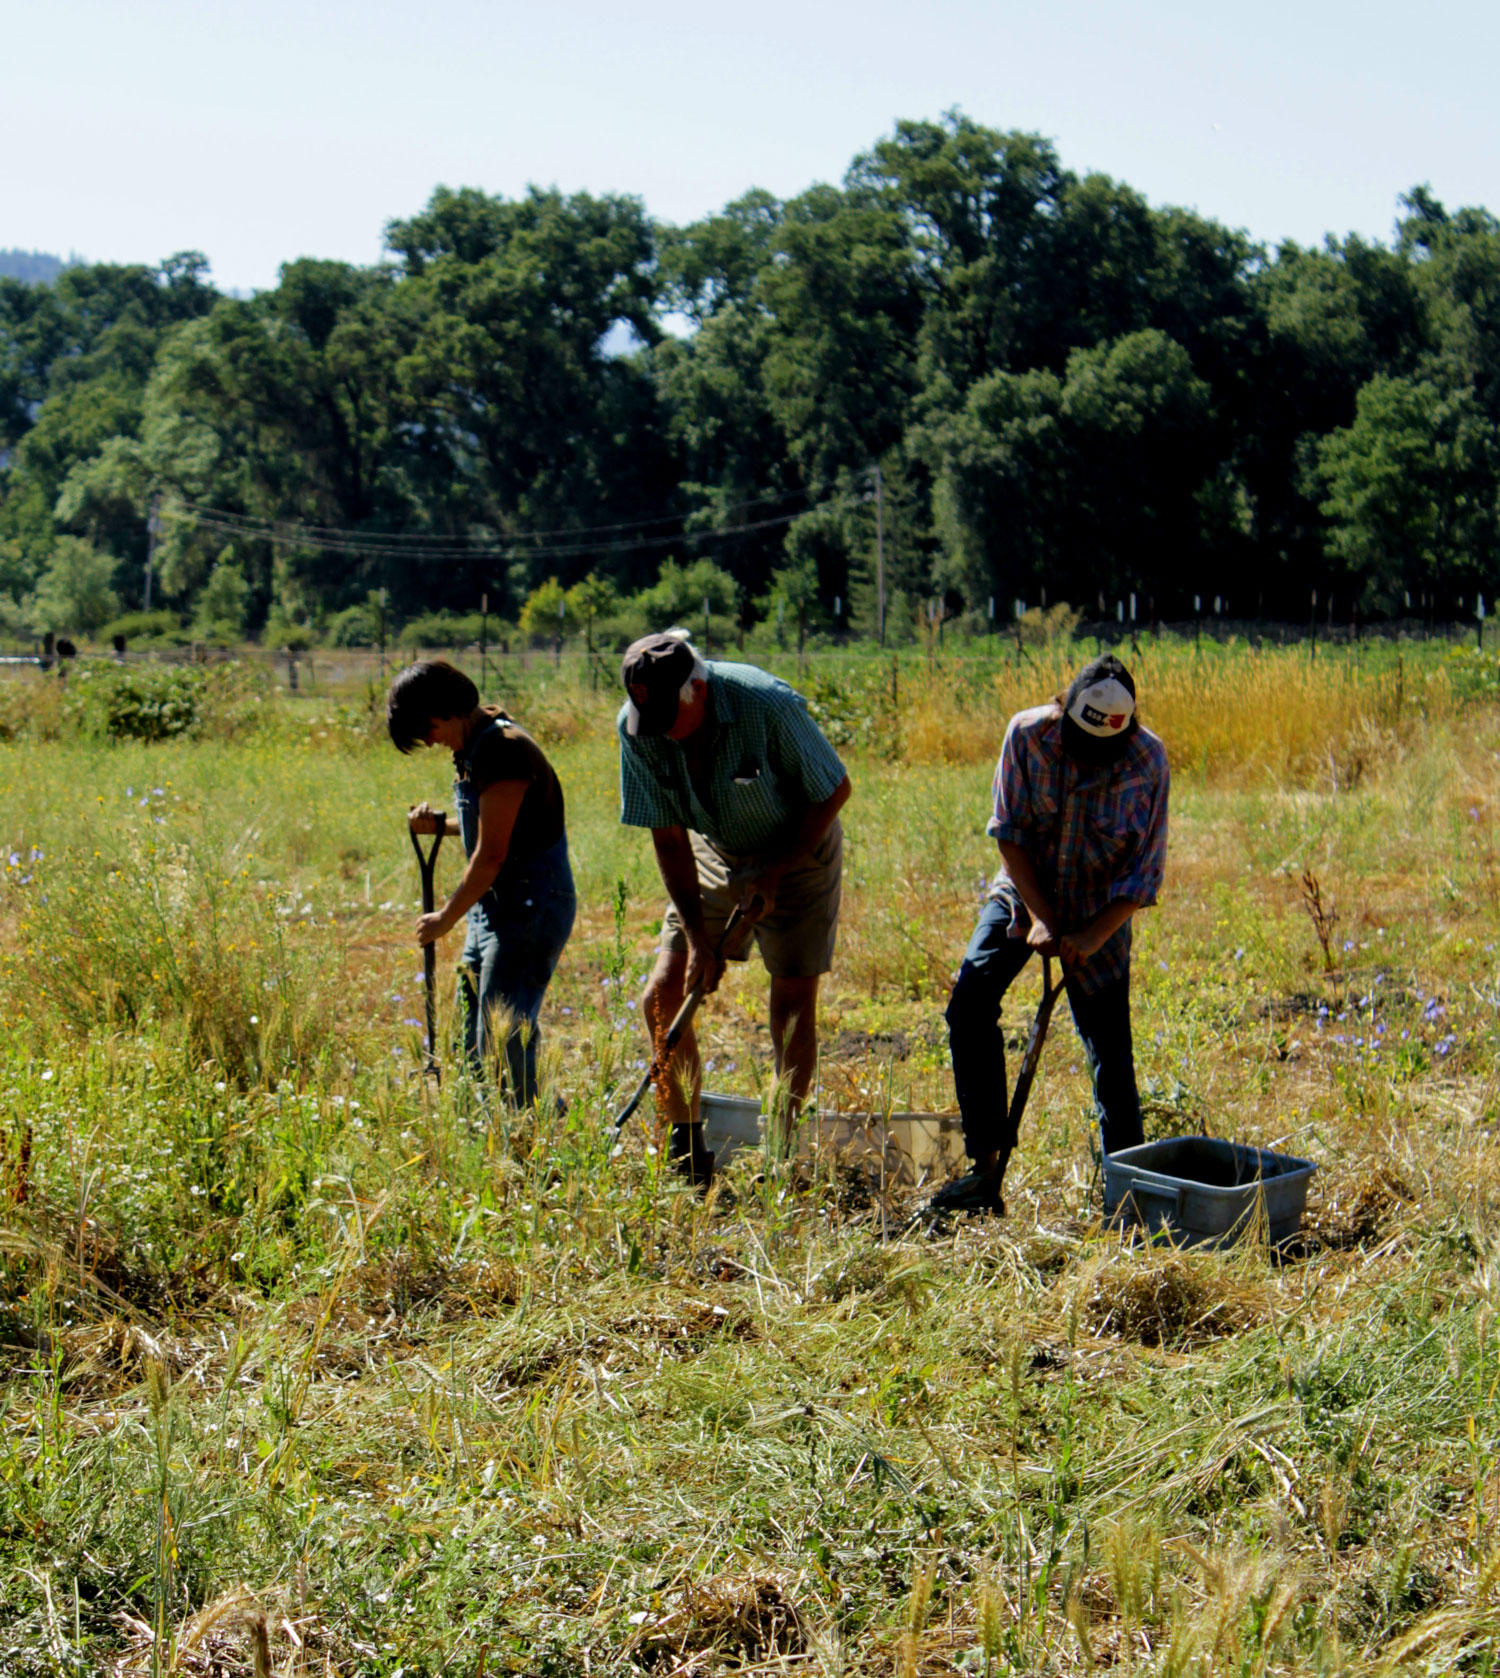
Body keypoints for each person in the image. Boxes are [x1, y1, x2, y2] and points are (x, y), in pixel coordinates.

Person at [936, 653, 1169, 1213]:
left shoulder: (1148, 761)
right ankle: (983, 1171)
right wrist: (1040, 915)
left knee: (1110, 1053)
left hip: (1101, 907)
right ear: (1062, 709)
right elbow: (1009, 834)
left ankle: (1127, 1200)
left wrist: (1090, 936)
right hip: (1026, 888)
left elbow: (1144, 875)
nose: (1088, 762)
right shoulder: (1027, 735)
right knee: (969, 1008)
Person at [618, 631, 851, 1186]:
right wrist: (699, 940)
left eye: (672, 717)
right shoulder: (640, 726)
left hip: (800, 846)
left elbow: (833, 790)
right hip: (715, 847)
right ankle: (686, 1151)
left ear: (698, 688)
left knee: (790, 1002)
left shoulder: (765, 703)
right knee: (663, 992)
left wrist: (774, 871)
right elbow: (669, 838)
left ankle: (781, 1150)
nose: (661, 735)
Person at [387, 660, 576, 1105]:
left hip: (531, 906)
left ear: (449, 711)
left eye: (429, 728)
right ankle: (494, 1133)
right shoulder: (475, 747)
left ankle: (542, 1131)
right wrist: (442, 826)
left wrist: (444, 919)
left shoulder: (504, 749)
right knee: (473, 1039)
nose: (431, 740)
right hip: (493, 908)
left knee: (503, 1035)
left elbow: (492, 854)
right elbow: (496, 826)